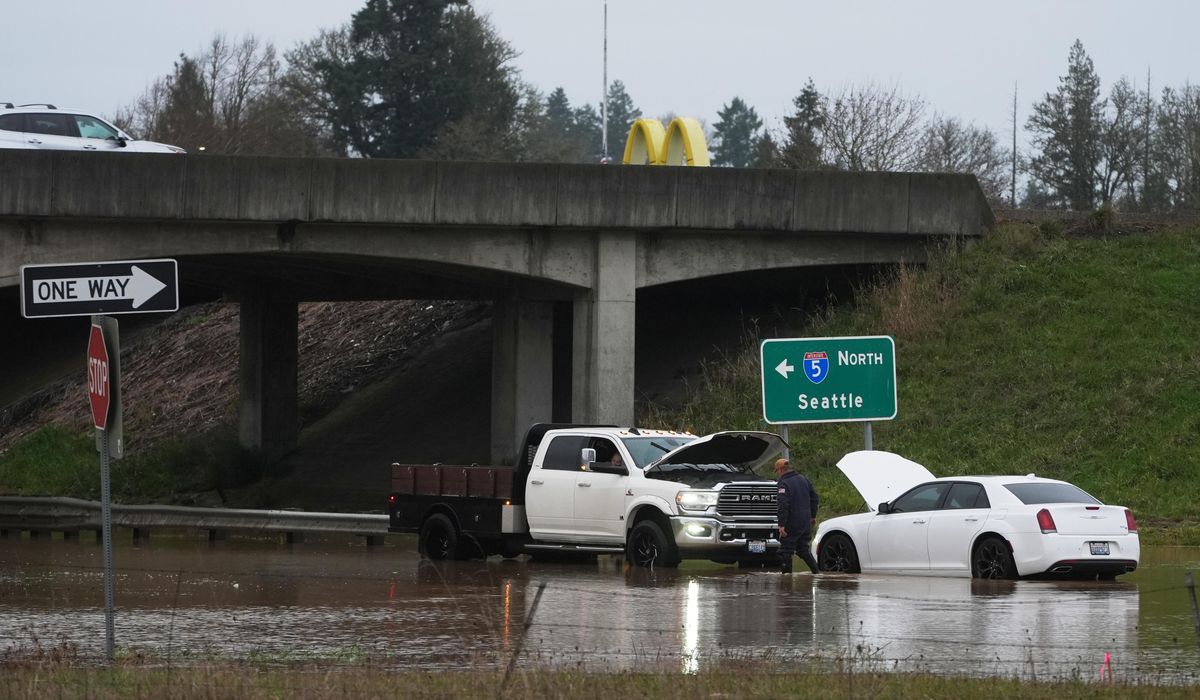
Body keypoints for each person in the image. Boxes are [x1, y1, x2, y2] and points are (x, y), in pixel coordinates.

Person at [775, 457, 819, 574]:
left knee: (786, 550)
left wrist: (782, 524)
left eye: (776, 471)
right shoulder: (804, 479)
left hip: (792, 522)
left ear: (780, 469)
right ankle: (817, 573)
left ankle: (786, 580)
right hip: (805, 522)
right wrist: (813, 516)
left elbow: (783, 505)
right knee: (803, 548)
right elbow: (815, 498)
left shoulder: (783, 483)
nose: (777, 474)